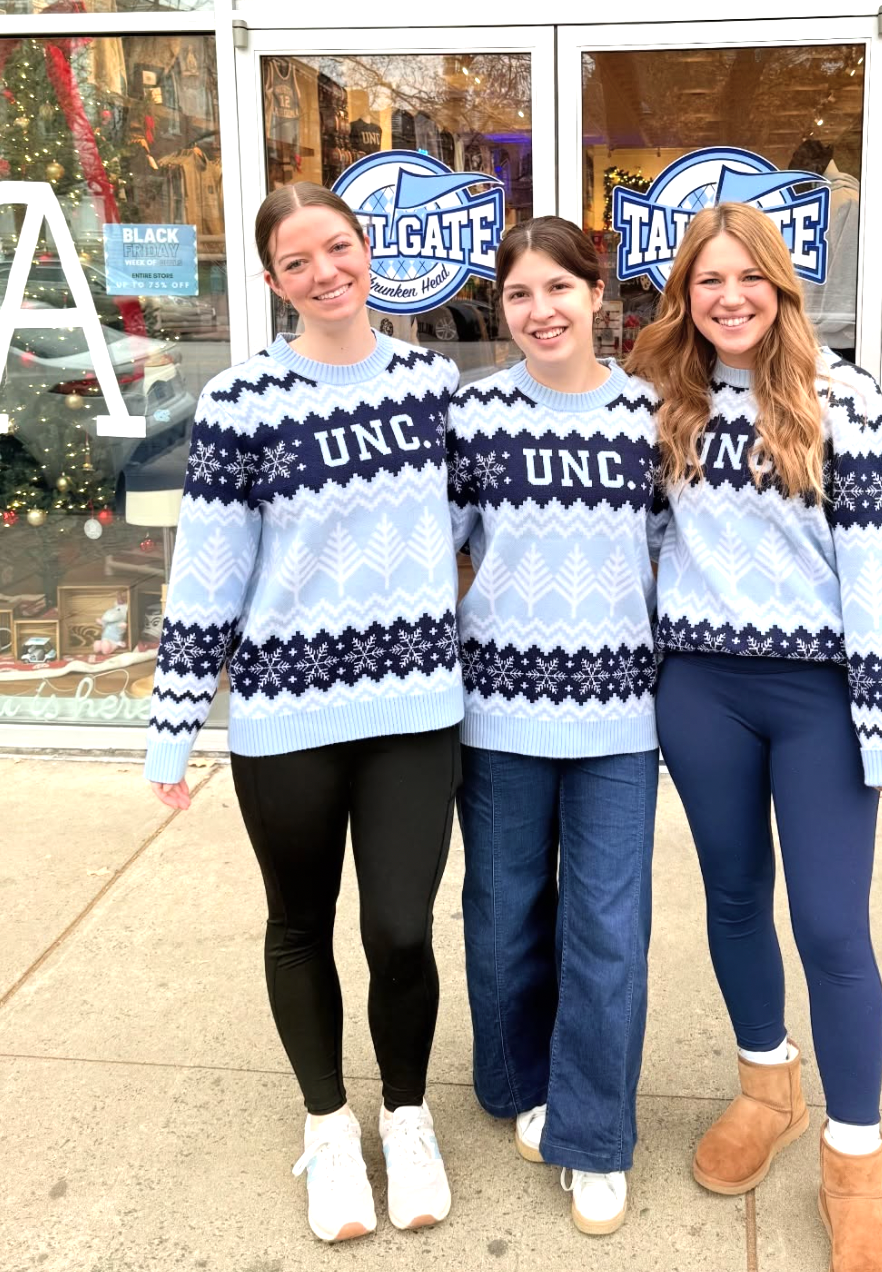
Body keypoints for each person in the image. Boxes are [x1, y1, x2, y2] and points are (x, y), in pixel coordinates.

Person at [145, 182, 463, 1244]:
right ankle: (328, 1128)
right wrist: (176, 722)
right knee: (299, 922)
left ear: (368, 250)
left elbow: (487, 528)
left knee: (401, 928)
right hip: (286, 715)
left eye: (338, 247)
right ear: (275, 281)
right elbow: (209, 572)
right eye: (297, 261)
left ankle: (406, 1117)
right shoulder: (241, 400)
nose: (325, 272)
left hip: (414, 707)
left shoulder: (432, 387)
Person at [628, 201, 882, 1272]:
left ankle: (855, 1167)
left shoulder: (846, 399)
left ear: (781, 285)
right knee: (733, 897)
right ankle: (767, 1087)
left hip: (819, 701)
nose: (729, 297)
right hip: (700, 690)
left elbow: (881, 570)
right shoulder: (663, 398)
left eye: (747, 277)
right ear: (685, 295)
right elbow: (641, 549)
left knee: (833, 928)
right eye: (707, 280)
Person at [447, 216, 667, 1236]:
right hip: (497, 711)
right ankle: (519, 1079)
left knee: (608, 932)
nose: (540, 311)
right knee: (502, 921)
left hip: (619, 716)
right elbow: (432, 548)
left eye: (559, 289)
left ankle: (593, 1135)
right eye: (520, 294)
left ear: (596, 295)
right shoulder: (474, 413)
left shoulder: (650, 414)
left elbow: (679, 553)